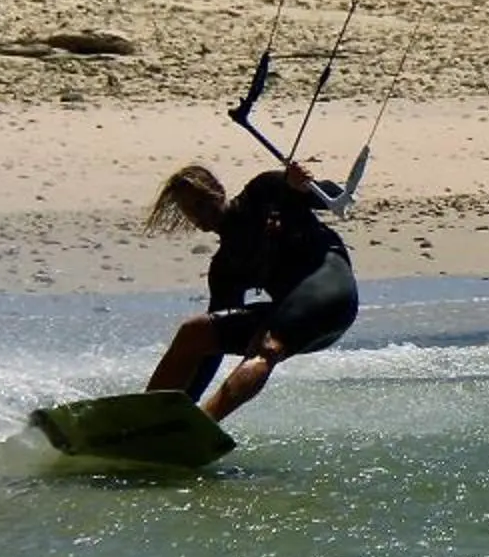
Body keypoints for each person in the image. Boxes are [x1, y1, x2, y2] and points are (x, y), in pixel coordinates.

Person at [141, 160, 357, 420]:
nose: (199, 215)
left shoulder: (263, 191)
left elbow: (335, 197)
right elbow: (211, 350)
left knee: (266, 345)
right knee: (195, 333)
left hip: (330, 292)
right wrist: (186, 400)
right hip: (292, 319)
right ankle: (149, 419)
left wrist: (304, 187)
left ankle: (203, 424)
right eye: (191, 212)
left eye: (201, 203)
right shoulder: (224, 268)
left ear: (218, 190)